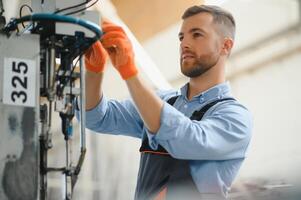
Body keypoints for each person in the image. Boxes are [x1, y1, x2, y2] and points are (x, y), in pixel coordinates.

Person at [78, 4, 252, 200]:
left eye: (196, 35)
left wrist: (130, 73)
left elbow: (186, 140)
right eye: (181, 37)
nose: (184, 44)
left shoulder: (235, 117)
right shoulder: (161, 101)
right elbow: (98, 118)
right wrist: (94, 71)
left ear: (225, 46)